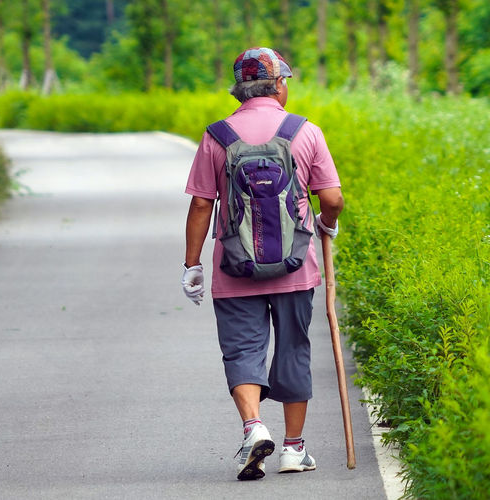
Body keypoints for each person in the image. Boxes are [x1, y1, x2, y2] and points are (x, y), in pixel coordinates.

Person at [181, 47, 344, 480]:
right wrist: (327, 225)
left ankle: (254, 427)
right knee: (293, 349)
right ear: (279, 85)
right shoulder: (306, 131)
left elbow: (201, 204)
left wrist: (192, 264)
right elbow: (332, 199)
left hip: (234, 269)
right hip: (295, 268)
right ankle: (293, 449)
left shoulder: (217, 136)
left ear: (239, 90)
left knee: (242, 351)